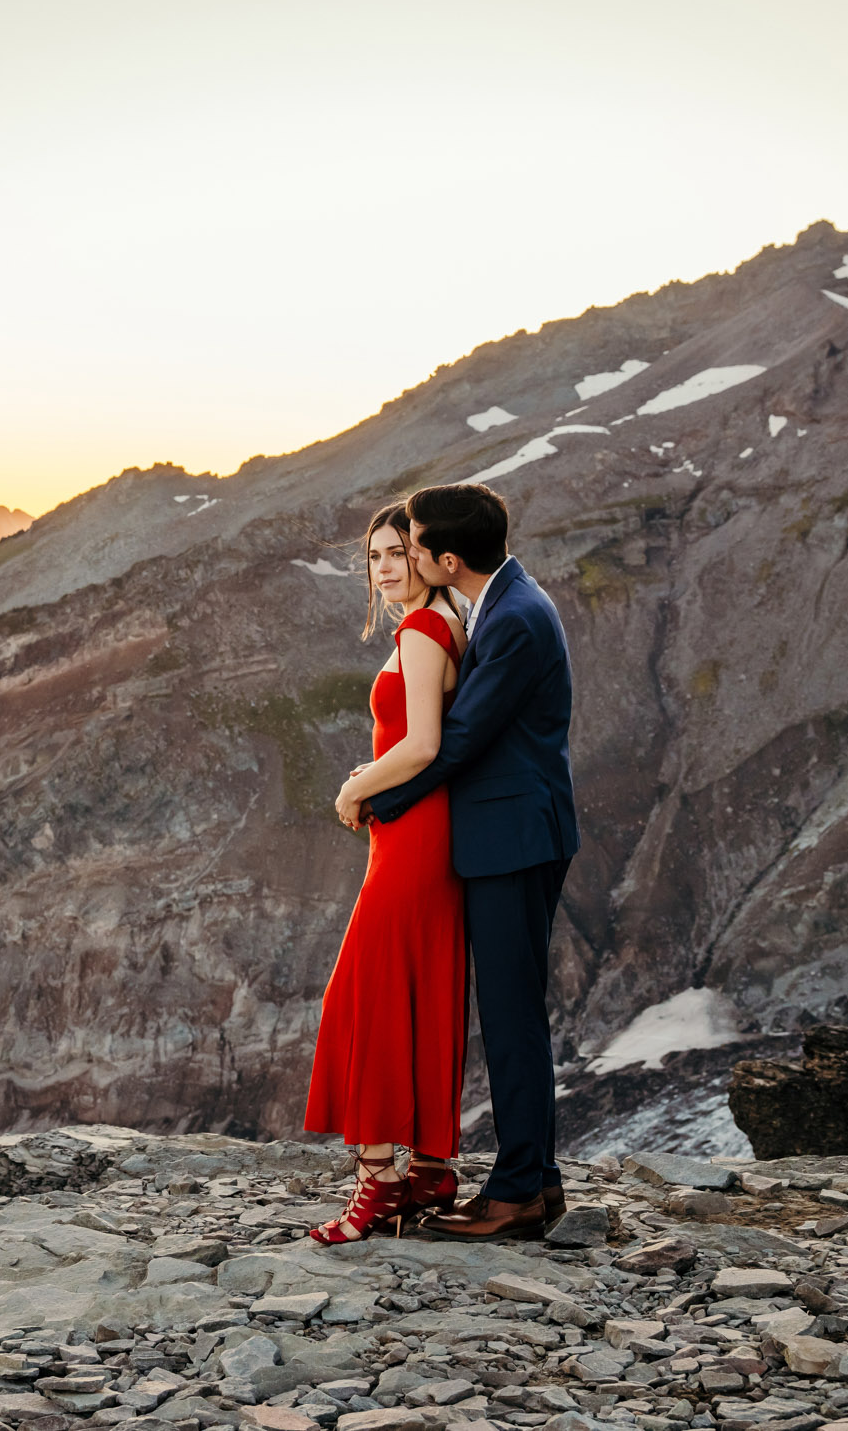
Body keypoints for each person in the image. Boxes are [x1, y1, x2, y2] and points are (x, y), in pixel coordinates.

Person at [336, 481, 578, 1242]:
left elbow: (460, 737)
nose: (400, 555)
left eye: (410, 543)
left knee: (510, 1015)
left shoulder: (512, 620)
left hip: (513, 837)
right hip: (513, 830)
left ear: (446, 557)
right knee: (512, 1011)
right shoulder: (501, 604)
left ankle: (514, 1193)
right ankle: (535, 1179)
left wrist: (376, 797)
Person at [300, 504, 470, 1243]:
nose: (386, 567)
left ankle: (380, 1180)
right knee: (418, 987)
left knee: (361, 996)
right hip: (417, 833)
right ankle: (429, 1168)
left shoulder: (425, 630)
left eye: (399, 552)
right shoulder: (436, 622)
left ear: (427, 556)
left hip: (415, 837)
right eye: (375, 557)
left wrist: (355, 786)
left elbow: (425, 743)